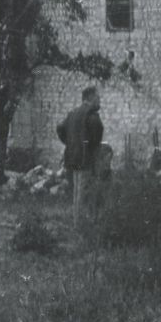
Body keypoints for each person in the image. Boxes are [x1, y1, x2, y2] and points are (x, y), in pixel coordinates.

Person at [56, 86, 104, 225]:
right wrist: (90, 149)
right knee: (85, 193)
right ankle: (81, 226)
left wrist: (70, 144)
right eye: (98, 97)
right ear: (90, 98)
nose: (99, 100)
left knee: (77, 191)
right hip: (86, 159)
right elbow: (96, 139)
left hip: (73, 158)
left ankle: (77, 222)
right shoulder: (92, 116)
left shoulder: (72, 113)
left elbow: (60, 129)